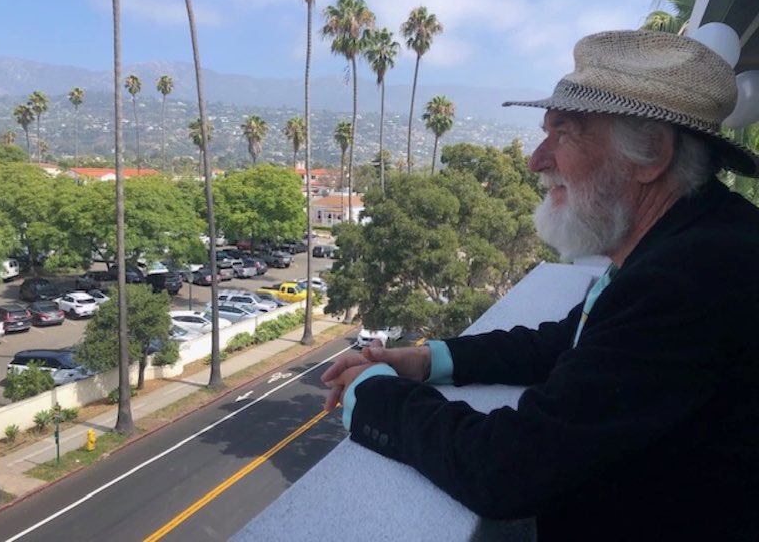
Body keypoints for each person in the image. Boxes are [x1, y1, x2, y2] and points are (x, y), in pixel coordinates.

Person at [321, 30, 759, 541]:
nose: (536, 159)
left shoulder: (693, 276)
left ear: (651, 154)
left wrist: (375, 394)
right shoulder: (690, 240)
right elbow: (574, 342)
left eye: (564, 133)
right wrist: (426, 360)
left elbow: (506, 468)